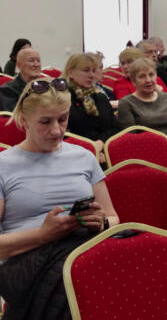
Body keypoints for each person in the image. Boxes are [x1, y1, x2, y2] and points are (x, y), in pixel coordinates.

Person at [0, 77, 119, 318]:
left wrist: (101, 223)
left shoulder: (84, 157)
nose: (56, 130)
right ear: (23, 120)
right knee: (76, 281)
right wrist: (43, 234)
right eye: (45, 122)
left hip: (85, 249)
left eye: (63, 119)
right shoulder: (4, 166)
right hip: (28, 263)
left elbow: (113, 218)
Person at [117, 58, 167, 175]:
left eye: (151, 75)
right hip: (148, 151)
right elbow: (131, 140)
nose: (148, 80)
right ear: (133, 81)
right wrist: (163, 148)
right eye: (142, 76)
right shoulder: (127, 103)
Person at [63, 54, 120, 164]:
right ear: (70, 73)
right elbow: (63, 134)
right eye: (86, 70)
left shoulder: (100, 98)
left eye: (93, 71)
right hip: (74, 156)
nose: (91, 75)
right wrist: (90, 149)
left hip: (104, 151)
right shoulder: (63, 99)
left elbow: (114, 128)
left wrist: (99, 143)